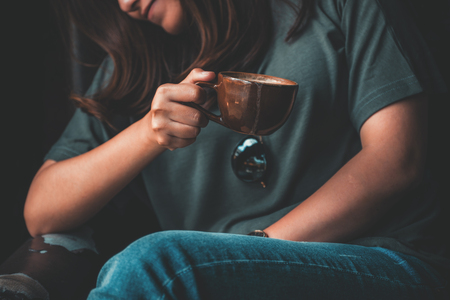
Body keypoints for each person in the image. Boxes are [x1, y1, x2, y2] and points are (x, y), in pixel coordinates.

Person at [22, 0, 449, 298]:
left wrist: (255, 250)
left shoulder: (332, 6)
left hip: (381, 261)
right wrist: (147, 134)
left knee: (154, 265)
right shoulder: (133, 70)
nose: (126, 4)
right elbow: (42, 210)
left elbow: (397, 159)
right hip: (215, 279)